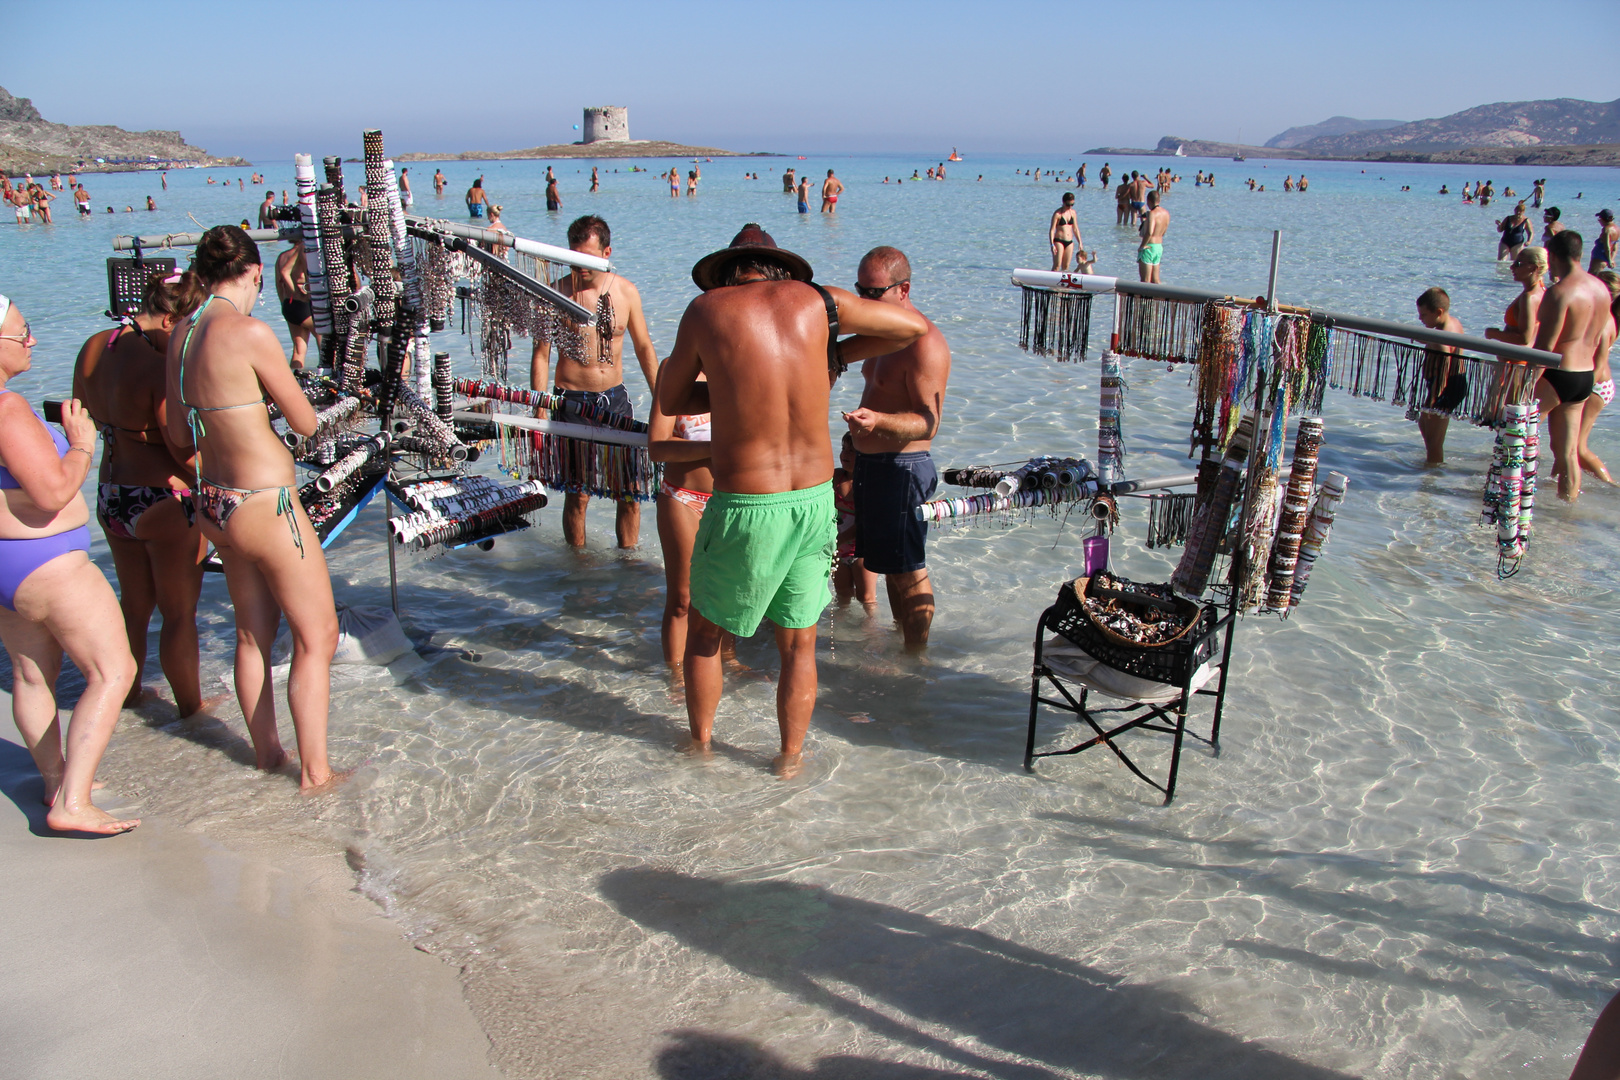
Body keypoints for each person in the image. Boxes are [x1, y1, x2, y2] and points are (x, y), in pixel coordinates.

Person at [658, 224, 928, 775]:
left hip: (746, 505)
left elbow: (669, 394)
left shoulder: (708, 309)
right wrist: (827, 358)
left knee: (708, 633)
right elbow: (911, 327)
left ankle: (702, 750)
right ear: (783, 269)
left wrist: (737, 380)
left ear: (730, 272)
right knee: (798, 644)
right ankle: (788, 761)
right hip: (813, 501)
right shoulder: (820, 304)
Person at [163, 225, 342, 791]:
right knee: (320, 636)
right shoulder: (250, 332)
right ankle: (316, 774)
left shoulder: (182, 335)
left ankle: (267, 756)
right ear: (256, 274)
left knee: (250, 636)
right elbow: (307, 424)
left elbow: (177, 435)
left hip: (216, 502)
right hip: (267, 504)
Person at [0, 294, 140, 834]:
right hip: (48, 562)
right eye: (22, 332)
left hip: (9, 566)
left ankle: (57, 779)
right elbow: (53, 490)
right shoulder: (8, 408)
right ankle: (72, 803)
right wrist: (81, 445)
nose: (32, 339)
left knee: (32, 675)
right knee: (114, 670)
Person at [72, 275, 207, 718]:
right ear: (168, 319)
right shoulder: (156, 369)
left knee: (134, 608)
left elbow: (78, 417)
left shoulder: (92, 347)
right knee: (178, 614)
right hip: (161, 501)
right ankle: (192, 711)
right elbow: (181, 452)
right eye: (185, 331)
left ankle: (126, 696)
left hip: (112, 495)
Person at [842, 246, 952, 651]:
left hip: (903, 466)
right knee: (886, 565)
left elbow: (929, 422)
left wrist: (879, 421)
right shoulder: (879, 334)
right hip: (874, 464)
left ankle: (916, 657)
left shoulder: (924, 344)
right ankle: (899, 640)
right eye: (859, 292)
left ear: (903, 289)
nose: (863, 302)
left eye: (873, 293)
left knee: (908, 568)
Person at [529, 216, 658, 549]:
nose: (580, 266)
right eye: (574, 257)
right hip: (570, 401)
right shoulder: (555, 293)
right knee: (579, 494)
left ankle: (627, 567)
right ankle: (579, 570)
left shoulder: (626, 292)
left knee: (630, 493)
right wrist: (539, 409)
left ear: (606, 252)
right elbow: (541, 355)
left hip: (614, 398)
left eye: (586, 257)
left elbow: (644, 348)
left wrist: (664, 401)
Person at [1534, 230, 1608, 500]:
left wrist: (1522, 385)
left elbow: (1544, 349)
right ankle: (1567, 513)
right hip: (1584, 376)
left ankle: (1509, 499)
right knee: (1566, 452)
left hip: (1558, 374)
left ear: (1553, 257)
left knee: (1517, 434)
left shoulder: (1559, 293)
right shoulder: (1601, 289)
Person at [1412, 287, 1466, 467]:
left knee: (1434, 440)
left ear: (1439, 312)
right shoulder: (1453, 323)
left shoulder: (1441, 336)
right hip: (1455, 383)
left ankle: (1432, 476)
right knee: (1424, 423)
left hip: (1444, 386)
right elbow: (1435, 341)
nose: (1420, 319)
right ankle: (1433, 466)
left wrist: (1434, 399)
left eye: (1424, 315)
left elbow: (1445, 364)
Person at [1575, 268, 1619, 485]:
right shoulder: (1609, 318)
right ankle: (1556, 479)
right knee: (1568, 444)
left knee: (1577, 447)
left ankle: (1612, 487)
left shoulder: (1605, 322)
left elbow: (1599, 363)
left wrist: (1582, 389)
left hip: (1596, 385)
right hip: (1601, 383)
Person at [831, 433, 878, 613]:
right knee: (842, 594)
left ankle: (872, 632)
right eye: (843, 449)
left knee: (866, 598)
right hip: (838, 549)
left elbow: (866, 522)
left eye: (852, 451)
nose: (845, 454)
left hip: (861, 550)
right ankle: (841, 634)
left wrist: (841, 539)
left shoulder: (869, 483)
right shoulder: (836, 477)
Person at [1485, 246, 1547, 349]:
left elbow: (1524, 339)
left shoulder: (1529, 297)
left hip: (1516, 362)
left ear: (1533, 268)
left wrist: (1492, 334)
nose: (1512, 267)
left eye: (1518, 264)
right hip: (1526, 359)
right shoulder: (1543, 291)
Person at [274, 235, 316, 369]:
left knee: (298, 350)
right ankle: (328, 378)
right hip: (304, 304)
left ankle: (297, 380)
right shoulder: (304, 251)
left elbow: (278, 286)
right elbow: (310, 280)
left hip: (289, 305)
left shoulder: (282, 256)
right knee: (327, 345)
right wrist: (299, 293)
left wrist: (284, 305)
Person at [1138, 190, 1169, 284]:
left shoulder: (1152, 213)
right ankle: (1161, 297)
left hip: (1149, 247)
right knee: (1155, 280)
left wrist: (1142, 246)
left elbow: (1149, 232)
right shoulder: (1166, 213)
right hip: (1159, 246)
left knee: (1145, 281)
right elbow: (1164, 231)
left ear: (1148, 201)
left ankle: (1144, 299)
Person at [1049, 192, 1082, 272]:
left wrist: (1080, 242)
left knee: (1066, 267)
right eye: (1068, 204)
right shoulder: (1057, 214)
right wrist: (1052, 244)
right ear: (1063, 202)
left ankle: (1061, 284)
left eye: (1072, 204)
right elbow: (1052, 230)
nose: (1070, 207)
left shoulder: (1073, 213)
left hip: (1069, 242)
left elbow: (1075, 228)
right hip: (1059, 241)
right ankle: (1051, 283)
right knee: (1057, 265)